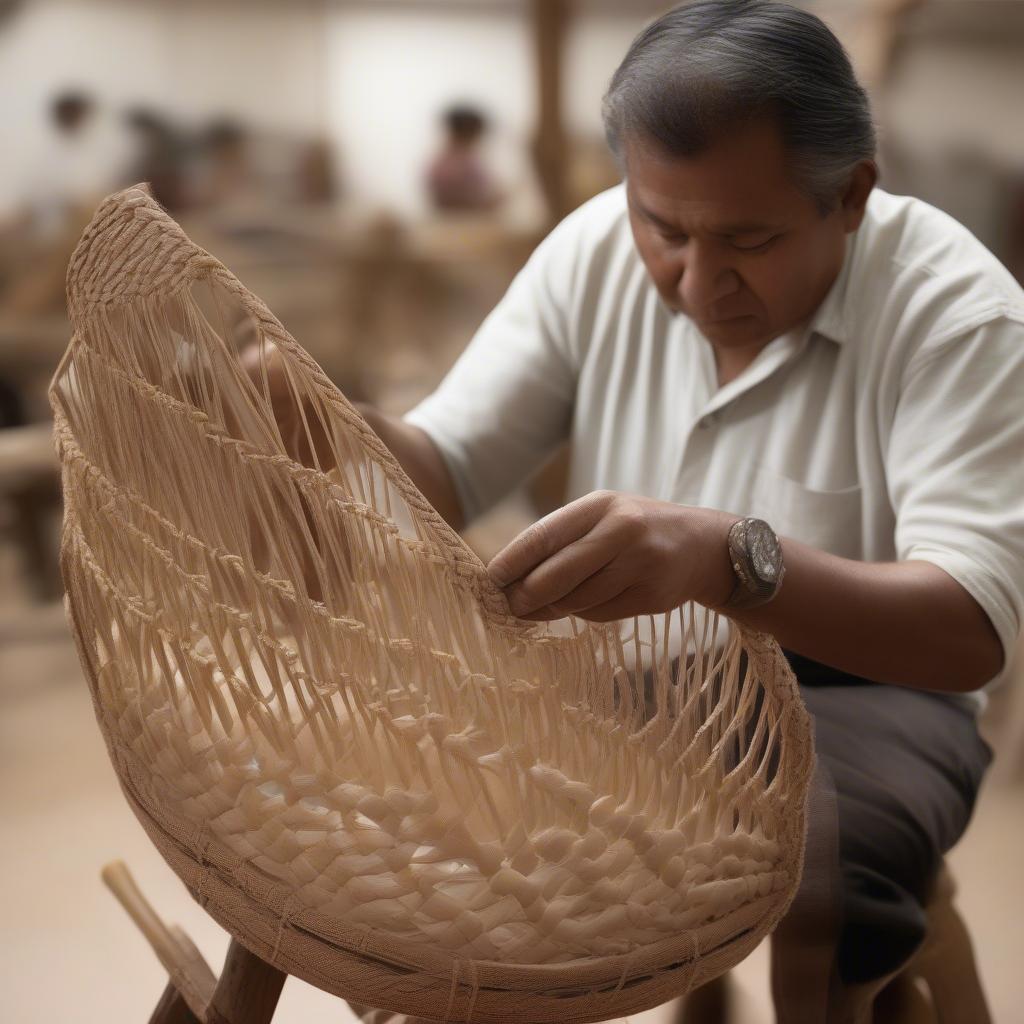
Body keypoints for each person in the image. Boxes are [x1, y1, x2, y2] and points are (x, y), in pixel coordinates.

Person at [256, 0, 1024, 991]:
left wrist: (723, 559)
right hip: (627, 673)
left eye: (748, 240)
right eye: (663, 227)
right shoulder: (593, 252)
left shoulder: (957, 316)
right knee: (432, 851)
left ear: (851, 195)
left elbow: (969, 628)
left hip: (869, 688)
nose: (699, 283)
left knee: (822, 884)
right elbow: (443, 466)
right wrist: (326, 424)